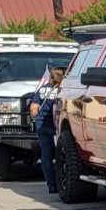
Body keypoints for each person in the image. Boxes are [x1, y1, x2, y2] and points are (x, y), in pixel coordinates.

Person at [28, 60, 65, 194]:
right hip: (61, 128)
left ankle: (52, 185)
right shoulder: (64, 91)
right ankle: (64, 183)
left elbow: (33, 109)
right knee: (64, 156)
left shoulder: (42, 89)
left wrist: (36, 119)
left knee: (47, 157)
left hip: (43, 126)